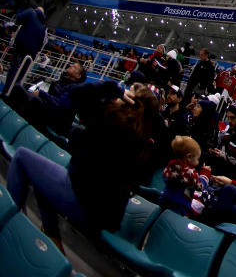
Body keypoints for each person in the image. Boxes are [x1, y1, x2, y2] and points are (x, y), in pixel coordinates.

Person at [6, 82, 160, 250]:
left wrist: (111, 89)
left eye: (127, 91)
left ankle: (8, 226)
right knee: (42, 181)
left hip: (84, 203)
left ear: (129, 100)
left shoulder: (112, 122)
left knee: (22, 156)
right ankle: (54, 244)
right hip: (101, 212)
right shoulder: (140, 138)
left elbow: (76, 94)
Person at [1, 6, 47, 98]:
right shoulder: (44, 26)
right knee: (21, 74)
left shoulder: (31, 12)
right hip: (31, 53)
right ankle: (13, 94)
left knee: (14, 69)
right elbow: (41, 44)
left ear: (37, 9)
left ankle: (6, 92)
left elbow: (18, 18)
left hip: (21, 46)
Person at [161, 136, 211, 216]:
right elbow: (200, 187)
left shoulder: (172, 164)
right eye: (197, 159)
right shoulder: (190, 172)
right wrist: (205, 173)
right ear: (189, 157)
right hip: (180, 205)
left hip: (166, 198)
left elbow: (165, 176)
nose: (198, 162)